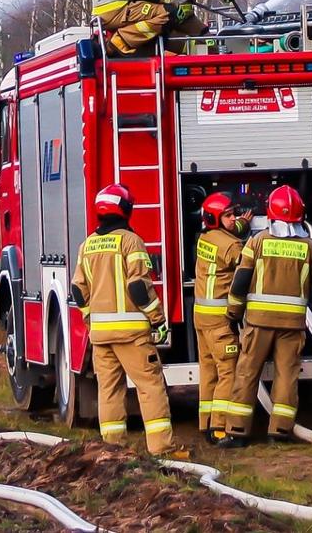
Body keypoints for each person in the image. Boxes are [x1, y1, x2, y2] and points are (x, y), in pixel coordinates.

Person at [70, 183, 175, 455]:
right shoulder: (130, 241)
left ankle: (112, 452)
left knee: (109, 390)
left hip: (101, 335)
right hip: (132, 333)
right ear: (126, 209)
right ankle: (161, 449)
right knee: (150, 386)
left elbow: (77, 290)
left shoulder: (87, 245)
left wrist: (90, 320)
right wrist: (157, 319)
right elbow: (138, 287)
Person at [219, 185, 312, 448]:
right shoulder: (309, 247)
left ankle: (238, 432)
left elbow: (240, 281)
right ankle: (280, 432)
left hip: (258, 322)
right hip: (292, 325)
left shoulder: (258, 241)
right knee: (287, 377)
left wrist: (233, 312)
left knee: (247, 373)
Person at [193, 191, 251, 444]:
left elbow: (230, 232)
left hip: (201, 317)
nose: (233, 219)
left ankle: (205, 423)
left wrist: (241, 224)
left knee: (208, 371)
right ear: (214, 218)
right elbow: (246, 264)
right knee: (228, 371)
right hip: (220, 320)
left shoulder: (205, 237)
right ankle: (219, 427)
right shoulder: (230, 245)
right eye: (228, 215)